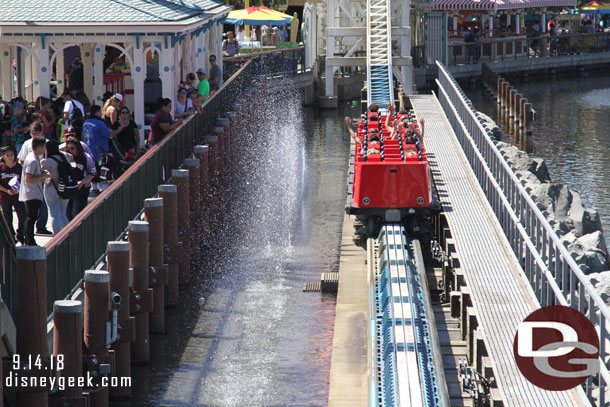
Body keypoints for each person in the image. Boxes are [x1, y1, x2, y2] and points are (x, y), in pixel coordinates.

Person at [19, 137, 49, 246]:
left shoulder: (35, 158)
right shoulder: (32, 159)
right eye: (44, 147)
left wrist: (41, 172)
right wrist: (42, 176)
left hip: (35, 192)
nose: (45, 149)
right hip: (31, 193)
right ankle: (29, 240)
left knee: (31, 217)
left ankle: (29, 239)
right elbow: (28, 178)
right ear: (40, 147)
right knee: (31, 218)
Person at [42, 140, 72, 234]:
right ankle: (66, 235)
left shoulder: (49, 161)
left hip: (51, 188)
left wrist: (42, 164)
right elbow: (71, 157)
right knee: (63, 214)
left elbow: (43, 176)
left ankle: (58, 236)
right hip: (64, 188)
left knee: (54, 215)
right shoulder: (64, 157)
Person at [65, 139, 96, 220]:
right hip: (70, 188)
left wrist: (82, 182)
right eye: (68, 149)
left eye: (73, 148)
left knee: (77, 213)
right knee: (68, 213)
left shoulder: (86, 157)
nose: (71, 151)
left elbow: (92, 174)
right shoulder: (66, 157)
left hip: (82, 188)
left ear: (78, 147)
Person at [0, 146, 25, 244]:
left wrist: (19, 190)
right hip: (5, 196)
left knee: (22, 216)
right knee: (8, 218)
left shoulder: (19, 167)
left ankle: (20, 234)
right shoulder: (1, 167)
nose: (10, 157)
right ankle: (11, 238)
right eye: (8, 155)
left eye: (12, 155)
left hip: (17, 195)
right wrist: (6, 190)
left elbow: (24, 181)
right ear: (3, 157)